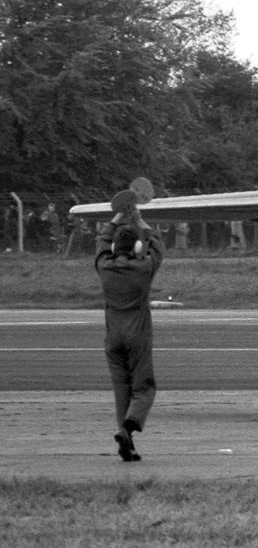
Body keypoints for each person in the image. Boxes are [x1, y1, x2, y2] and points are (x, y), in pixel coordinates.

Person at [95, 192, 167, 462]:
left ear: (114, 249)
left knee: (121, 388)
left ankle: (127, 441)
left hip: (112, 337)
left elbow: (101, 243)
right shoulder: (143, 269)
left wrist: (116, 218)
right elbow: (158, 247)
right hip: (137, 335)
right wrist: (140, 220)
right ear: (137, 248)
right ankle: (128, 428)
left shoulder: (105, 267)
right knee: (144, 387)